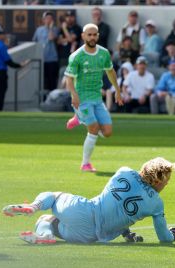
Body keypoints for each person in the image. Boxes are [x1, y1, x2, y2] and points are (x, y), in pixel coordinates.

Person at [2, 157, 175, 245]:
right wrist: (174, 235)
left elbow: (114, 203)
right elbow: (163, 238)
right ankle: (46, 235)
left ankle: (35, 210)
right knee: (50, 220)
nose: (167, 184)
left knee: (52, 203)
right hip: (91, 236)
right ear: (159, 181)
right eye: (167, 181)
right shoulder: (156, 204)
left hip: (84, 212)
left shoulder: (124, 171)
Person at [64, 24, 123, 172]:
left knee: (108, 132)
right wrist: (74, 96)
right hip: (82, 98)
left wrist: (117, 90)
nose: (92, 37)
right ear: (83, 36)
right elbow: (69, 80)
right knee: (94, 129)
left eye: (94, 34)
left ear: (98, 36)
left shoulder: (104, 53)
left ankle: (79, 119)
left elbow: (110, 71)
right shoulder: (77, 56)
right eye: (89, 35)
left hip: (97, 98)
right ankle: (85, 164)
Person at [0, 30, 28, 111]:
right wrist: (20, 65)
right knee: (0, 94)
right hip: (0, 73)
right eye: (3, 34)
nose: (5, 36)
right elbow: (8, 61)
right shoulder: (1, 45)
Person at [32, 11, 60, 94]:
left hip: (52, 59)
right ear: (43, 20)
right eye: (47, 18)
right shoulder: (39, 30)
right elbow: (34, 42)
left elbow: (51, 37)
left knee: (52, 80)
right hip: (42, 59)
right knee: (43, 81)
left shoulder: (55, 29)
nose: (49, 20)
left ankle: (51, 99)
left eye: (51, 18)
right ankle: (43, 99)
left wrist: (50, 28)